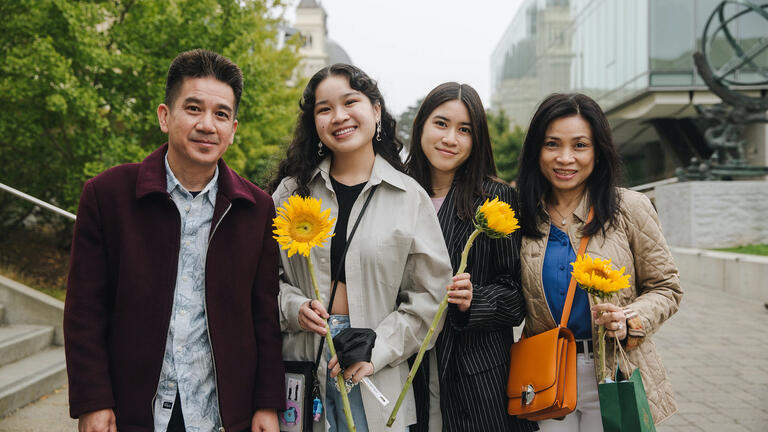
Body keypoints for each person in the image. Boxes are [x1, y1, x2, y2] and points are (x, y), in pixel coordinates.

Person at [64, 49, 284, 432]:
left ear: (233, 129)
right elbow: (85, 309)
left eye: (221, 114)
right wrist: (93, 400)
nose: (207, 125)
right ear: (165, 116)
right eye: (194, 108)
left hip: (220, 413)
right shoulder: (107, 195)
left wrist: (266, 404)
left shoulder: (257, 209)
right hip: (134, 409)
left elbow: (263, 316)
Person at [268, 64, 453, 432]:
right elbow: (259, 281)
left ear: (376, 111)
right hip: (302, 368)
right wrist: (293, 307)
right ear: (314, 122)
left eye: (350, 102)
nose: (339, 116)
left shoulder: (409, 197)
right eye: (324, 109)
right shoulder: (291, 193)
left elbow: (431, 300)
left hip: (375, 375)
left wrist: (377, 349)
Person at [516, 93, 682, 430]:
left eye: (580, 145)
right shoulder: (521, 216)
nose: (565, 158)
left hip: (614, 370)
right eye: (552, 144)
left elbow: (666, 288)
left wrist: (631, 318)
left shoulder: (629, 208)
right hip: (547, 373)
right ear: (537, 150)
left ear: (598, 151)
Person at [404, 82, 536, 432]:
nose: (451, 138)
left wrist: (475, 299)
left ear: (477, 139)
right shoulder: (393, 191)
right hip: (405, 363)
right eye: (441, 123)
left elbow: (516, 296)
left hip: (477, 375)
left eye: (465, 130)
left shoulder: (497, 199)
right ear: (421, 126)